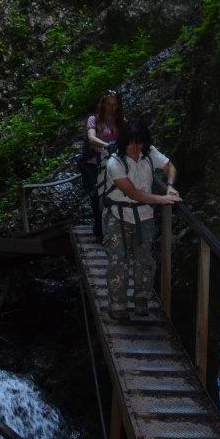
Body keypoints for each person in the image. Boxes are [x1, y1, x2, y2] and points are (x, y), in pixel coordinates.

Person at [101, 122, 179, 322]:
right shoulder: (115, 163)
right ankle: (117, 304)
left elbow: (170, 167)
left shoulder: (149, 153)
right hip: (118, 215)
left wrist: (170, 186)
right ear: (123, 143)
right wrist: (162, 199)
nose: (135, 148)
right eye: (131, 143)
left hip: (145, 215)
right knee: (118, 259)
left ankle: (141, 299)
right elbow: (133, 193)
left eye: (139, 143)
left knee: (144, 259)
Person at [81, 90, 122, 241]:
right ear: (103, 104)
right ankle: (99, 227)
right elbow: (91, 138)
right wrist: (107, 145)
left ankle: (112, 227)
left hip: (113, 163)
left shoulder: (120, 120)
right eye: (109, 104)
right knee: (95, 194)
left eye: (114, 104)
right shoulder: (94, 119)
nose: (112, 107)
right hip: (93, 163)